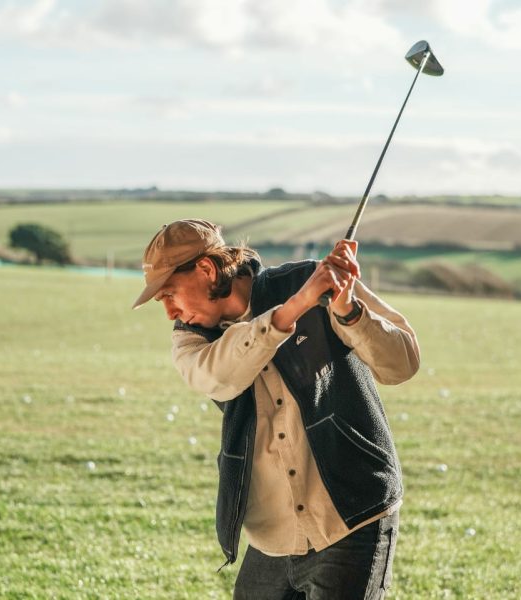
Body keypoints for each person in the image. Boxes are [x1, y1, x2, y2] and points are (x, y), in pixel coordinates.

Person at [132, 219, 420, 600]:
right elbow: (219, 376)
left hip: (352, 514)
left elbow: (403, 363)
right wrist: (295, 308)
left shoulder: (312, 279)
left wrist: (348, 309)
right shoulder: (191, 337)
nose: (170, 312)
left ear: (205, 269)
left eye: (169, 293)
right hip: (271, 533)